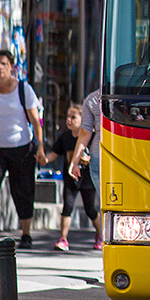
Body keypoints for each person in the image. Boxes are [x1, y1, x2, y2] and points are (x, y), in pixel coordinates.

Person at [0, 49, 48, 249]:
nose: (0, 68)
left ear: (12, 67)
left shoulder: (24, 90)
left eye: (4, 64)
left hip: (21, 149)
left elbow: (36, 121)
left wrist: (40, 147)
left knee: (22, 190)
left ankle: (26, 234)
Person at [49, 103, 100, 251]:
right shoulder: (65, 137)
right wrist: (44, 159)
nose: (69, 120)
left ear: (83, 119)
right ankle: (63, 239)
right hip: (71, 177)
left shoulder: (92, 137)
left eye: (73, 117)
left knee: (90, 209)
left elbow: (100, 157)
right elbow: (54, 154)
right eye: (68, 116)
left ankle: (100, 235)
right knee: (68, 206)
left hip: (87, 178)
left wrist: (88, 160)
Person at [66, 90, 104, 250]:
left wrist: (75, 162)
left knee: (107, 203)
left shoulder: (92, 99)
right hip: (126, 154)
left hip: (99, 154)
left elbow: (85, 132)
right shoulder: (133, 93)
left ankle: (108, 244)